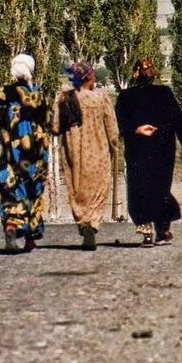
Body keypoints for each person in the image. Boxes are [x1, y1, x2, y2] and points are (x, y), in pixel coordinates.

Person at [115, 57, 182, 246]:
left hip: (138, 149)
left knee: (139, 188)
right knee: (160, 188)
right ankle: (163, 230)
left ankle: (148, 232)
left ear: (135, 75)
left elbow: (120, 124)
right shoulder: (164, 93)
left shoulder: (125, 97)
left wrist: (136, 130)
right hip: (162, 149)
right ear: (153, 74)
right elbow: (178, 120)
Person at [52, 62, 121, 251]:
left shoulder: (65, 98)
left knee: (77, 191)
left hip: (74, 153)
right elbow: (112, 129)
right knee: (98, 191)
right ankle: (93, 224)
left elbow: (56, 127)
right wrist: (114, 146)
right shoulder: (101, 99)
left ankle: (83, 224)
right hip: (98, 154)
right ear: (89, 78)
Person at [0, 53, 50, 253]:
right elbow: (48, 120)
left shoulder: (1, 93)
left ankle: (11, 232)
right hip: (35, 155)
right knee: (34, 192)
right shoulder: (38, 93)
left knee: (10, 193)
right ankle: (31, 240)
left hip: (9, 156)